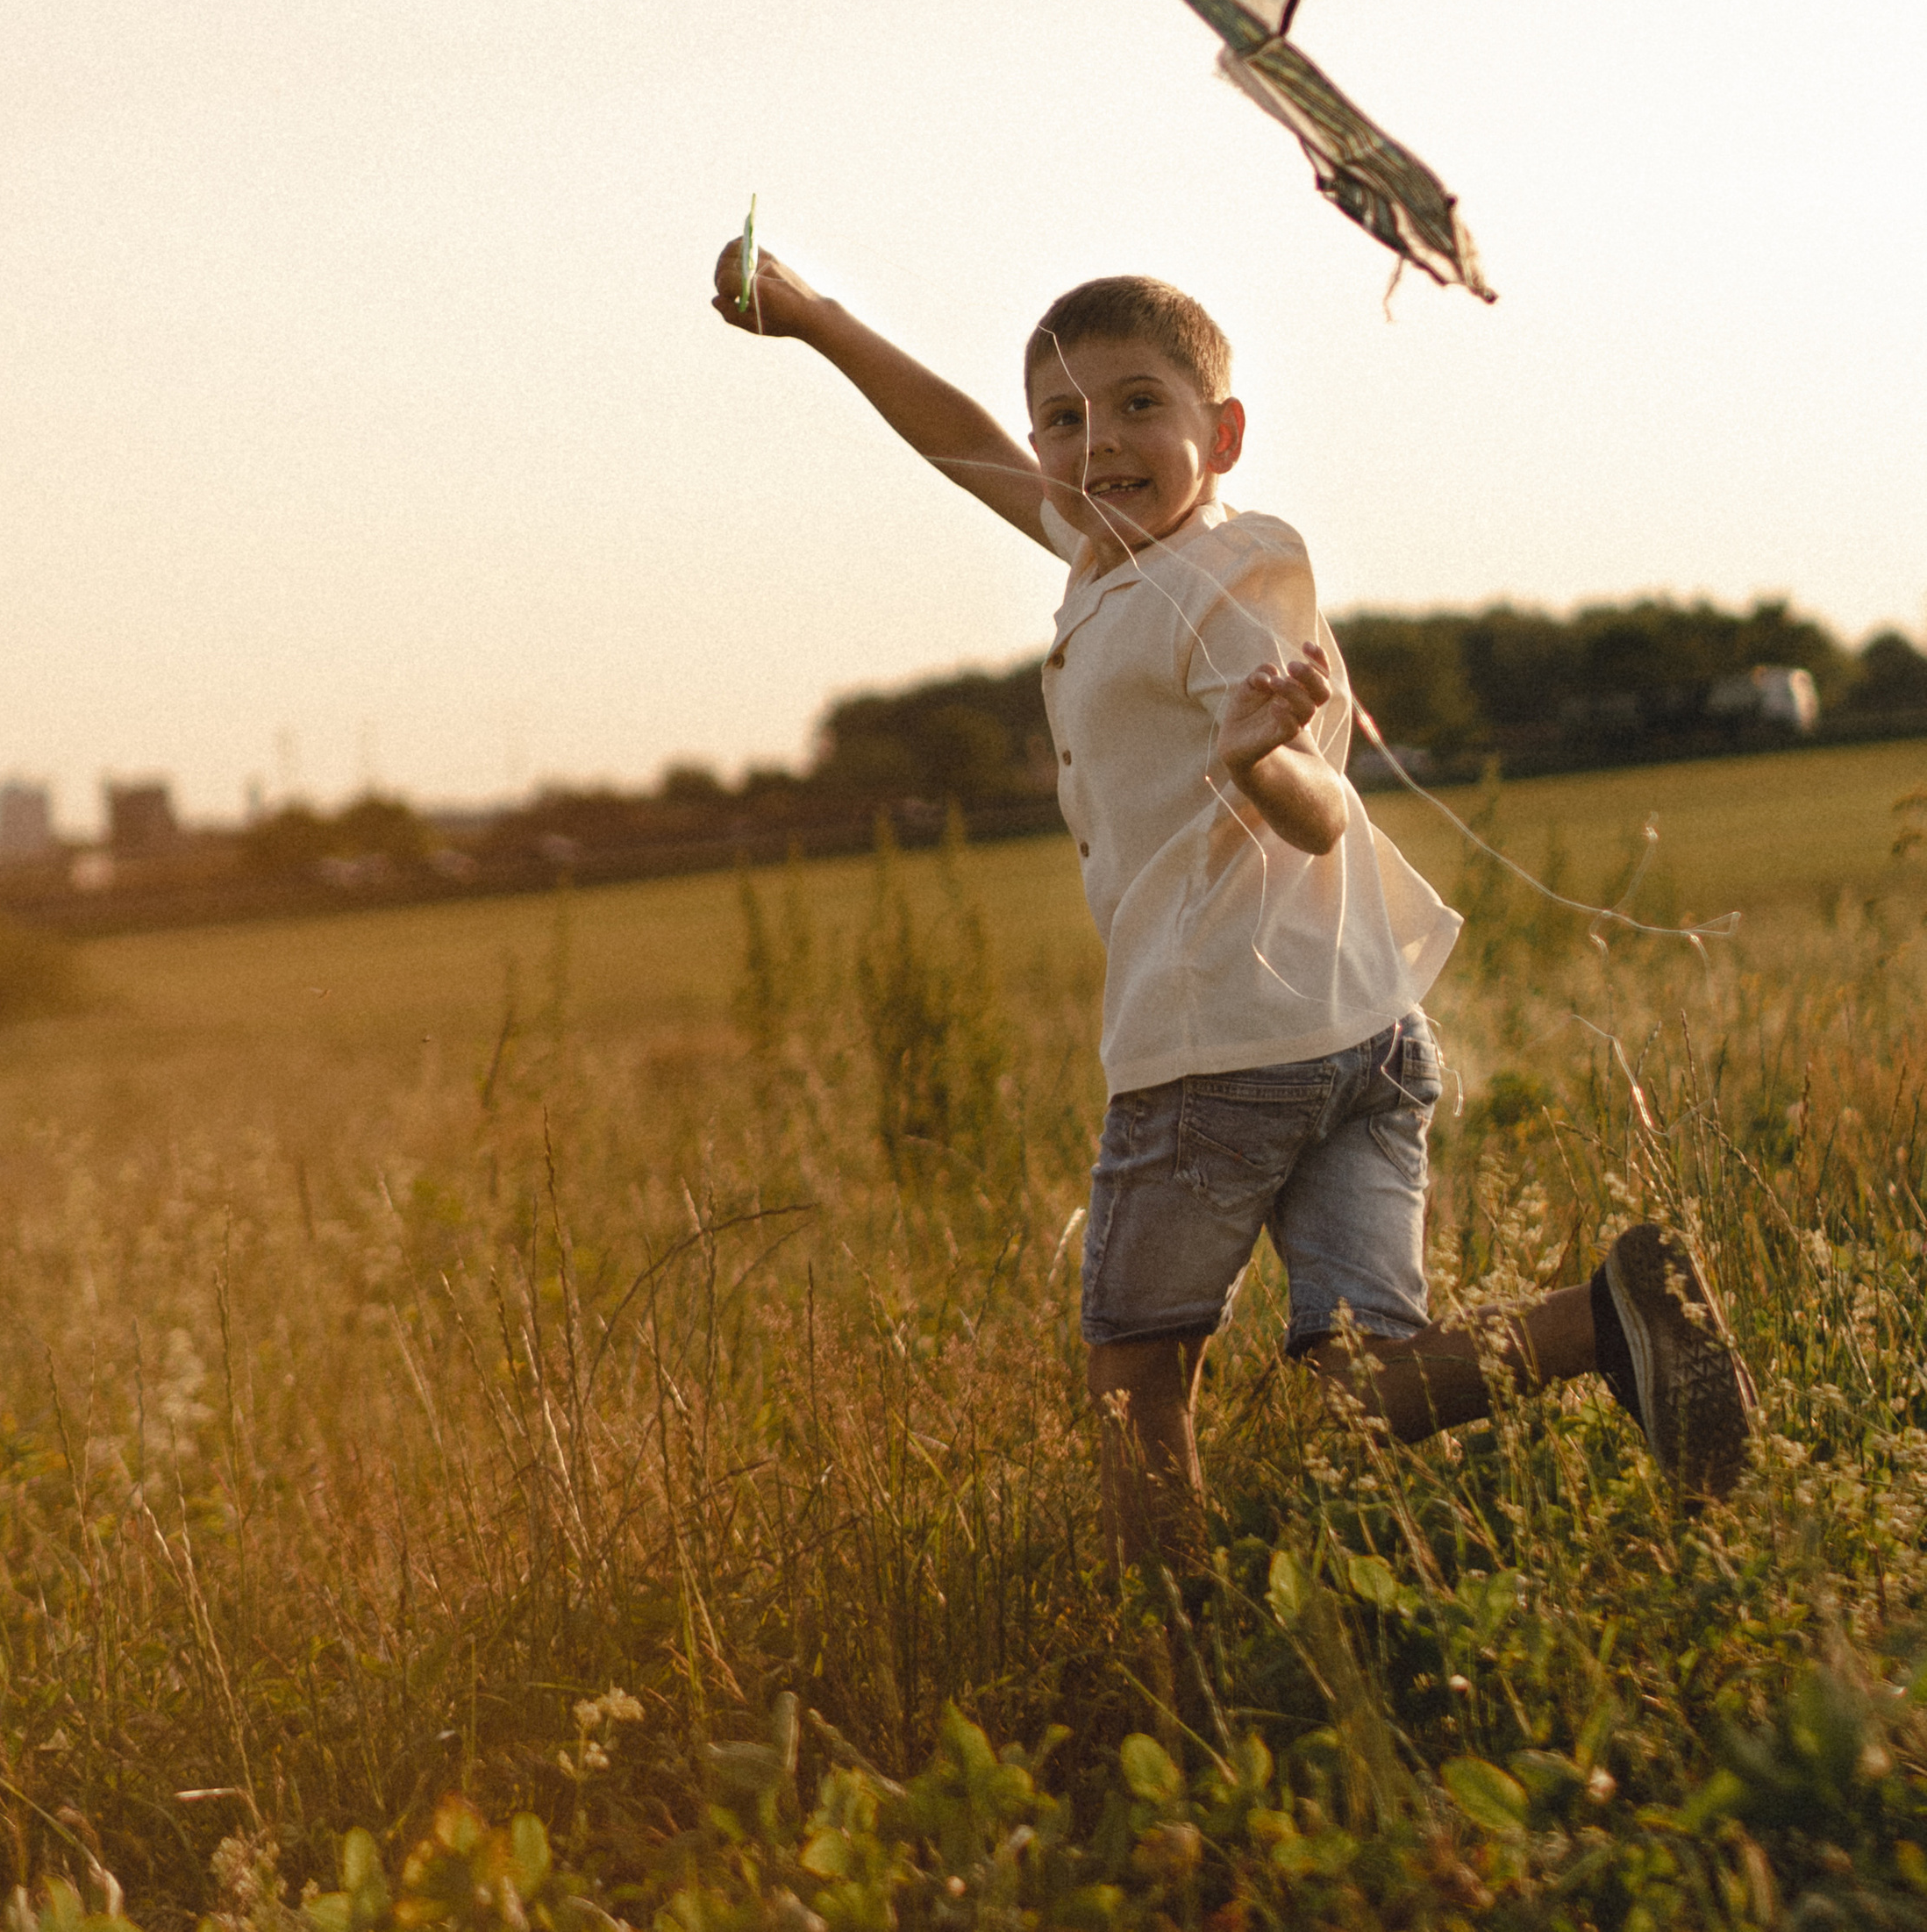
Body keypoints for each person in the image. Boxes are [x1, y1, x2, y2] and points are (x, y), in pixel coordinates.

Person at [710, 238, 1754, 1571]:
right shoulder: (1107, 553)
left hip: (1215, 1046)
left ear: (1227, 429)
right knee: (1359, 1387)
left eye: (1141, 402)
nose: (1100, 442)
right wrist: (810, 315)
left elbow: (1322, 813)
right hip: (1358, 1032)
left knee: (1139, 1374)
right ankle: (1607, 1319)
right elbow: (955, 436)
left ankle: (1171, 1654)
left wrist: (1262, 758)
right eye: (1066, 417)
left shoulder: (1224, 582)